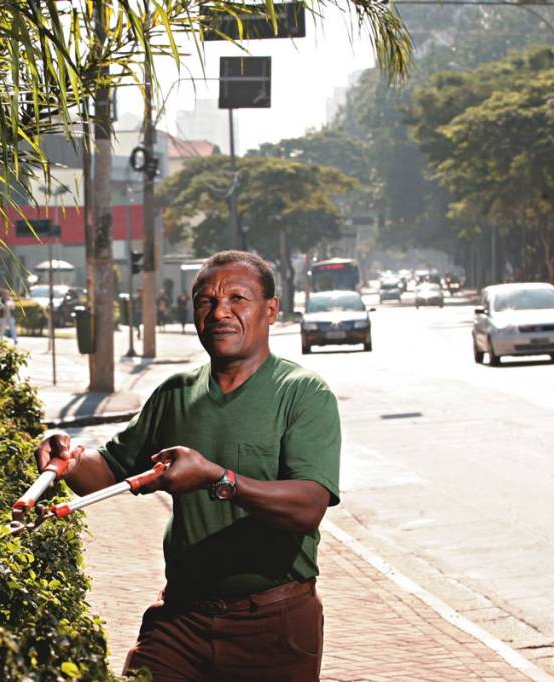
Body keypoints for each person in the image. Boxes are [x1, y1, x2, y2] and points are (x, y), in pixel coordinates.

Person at [33, 250, 340, 681]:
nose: (221, 312)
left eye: (238, 298)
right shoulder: (175, 394)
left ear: (271, 310)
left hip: (273, 623)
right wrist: (69, 461)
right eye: (206, 301)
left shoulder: (302, 393)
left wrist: (218, 479)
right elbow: (108, 474)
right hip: (181, 618)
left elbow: (308, 506)